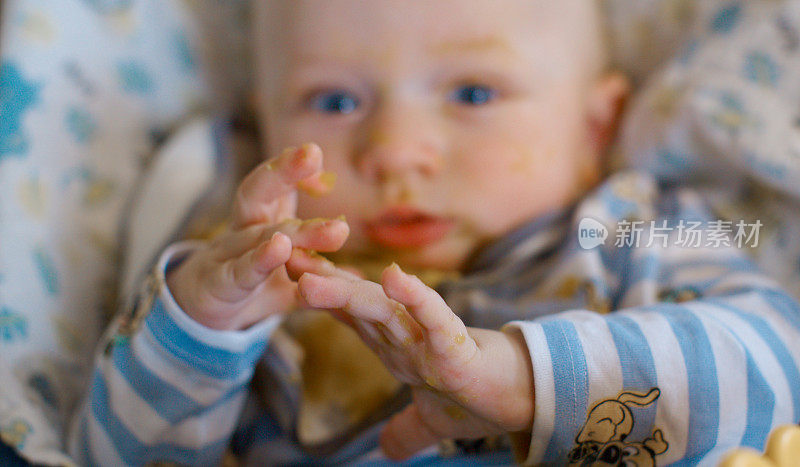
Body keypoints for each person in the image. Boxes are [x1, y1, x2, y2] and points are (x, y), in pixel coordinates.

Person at [68, 0, 800, 465]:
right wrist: (201, 327)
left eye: (473, 93)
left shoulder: (641, 230)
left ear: (593, 126)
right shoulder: (264, 283)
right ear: (266, 124)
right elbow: (111, 457)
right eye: (335, 99)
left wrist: (528, 380)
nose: (394, 147)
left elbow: (780, 362)